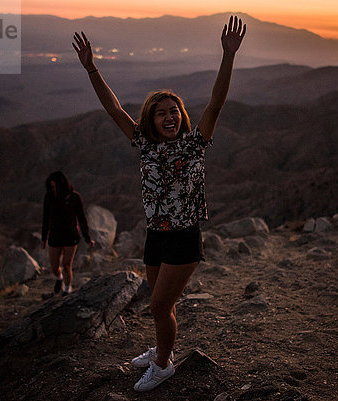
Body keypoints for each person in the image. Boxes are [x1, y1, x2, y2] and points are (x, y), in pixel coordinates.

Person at [73, 15, 245, 391]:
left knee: (156, 307)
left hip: (184, 239)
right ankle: (161, 347)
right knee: (160, 303)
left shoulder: (194, 143)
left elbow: (215, 105)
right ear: (150, 121)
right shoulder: (145, 144)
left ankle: (164, 364)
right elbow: (115, 110)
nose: (169, 116)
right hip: (155, 236)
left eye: (174, 111)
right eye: (160, 112)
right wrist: (92, 69)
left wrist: (228, 56)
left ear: (182, 117)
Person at [41, 171, 94, 296]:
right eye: (51, 187)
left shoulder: (74, 197)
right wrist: (44, 238)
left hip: (70, 236)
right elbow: (45, 218)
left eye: (55, 187)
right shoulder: (48, 198)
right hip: (54, 236)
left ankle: (67, 288)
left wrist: (87, 238)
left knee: (66, 265)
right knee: (54, 267)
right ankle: (59, 278)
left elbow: (81, 218)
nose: (53, 189)